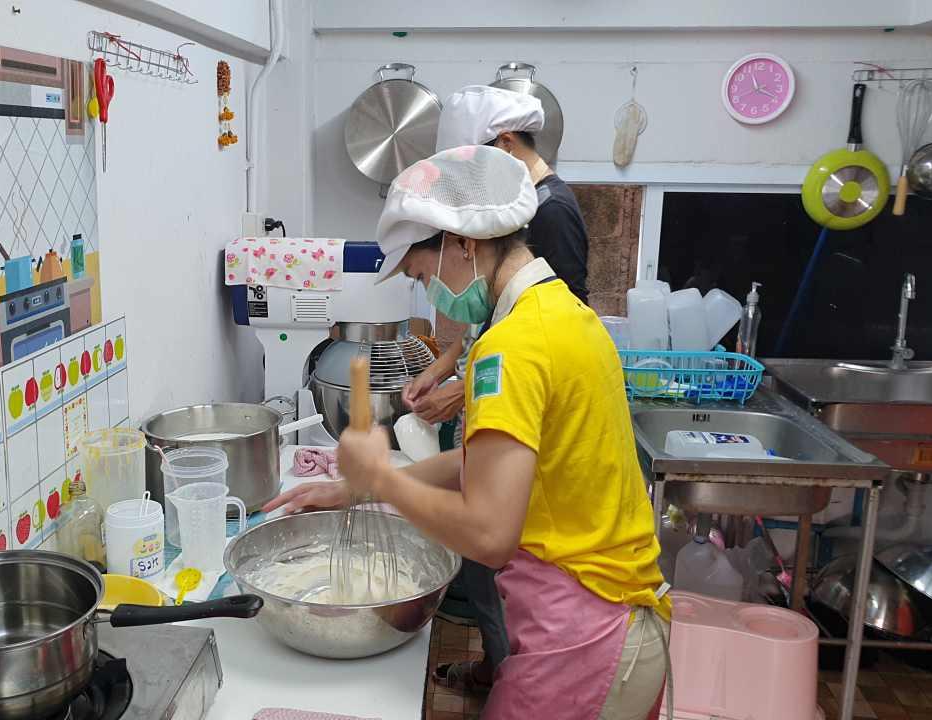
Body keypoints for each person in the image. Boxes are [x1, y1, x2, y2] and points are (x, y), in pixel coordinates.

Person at [265, 146, 670, 719]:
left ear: (462, 244)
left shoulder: (515, 346)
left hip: (588, 638)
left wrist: (383, 476)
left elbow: (489, 533)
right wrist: (359, 488)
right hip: (614, 619)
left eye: (422, 275)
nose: (429, 291)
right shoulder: (563, 314)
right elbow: (483, 464)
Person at [402, 85, 591, 692]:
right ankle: (501, 671)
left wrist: (382, 484)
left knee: (504, 578)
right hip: (593, 620)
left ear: (504, 146)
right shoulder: (519, 277)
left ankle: (510, 675)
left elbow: (532, 349)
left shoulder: (551, 213)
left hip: (582, 616)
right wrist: (450, 364)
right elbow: (500, 313)